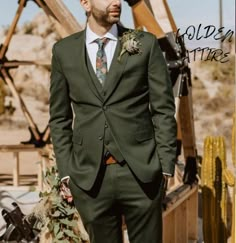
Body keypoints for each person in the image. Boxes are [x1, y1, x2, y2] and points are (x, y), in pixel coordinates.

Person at [49, 0, 177, 242]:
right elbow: (59, 118)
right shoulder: (63, 51)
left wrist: (166, 164)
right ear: (86, 3)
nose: (116, 1)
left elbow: (163, 109)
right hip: (90, 179)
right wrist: (67, 172)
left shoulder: (144, 44)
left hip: (142, 173)